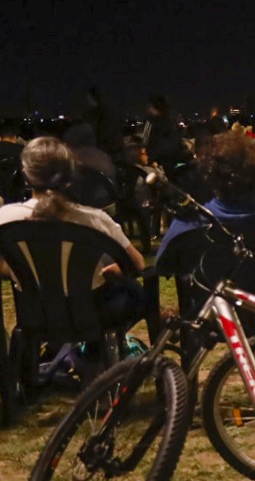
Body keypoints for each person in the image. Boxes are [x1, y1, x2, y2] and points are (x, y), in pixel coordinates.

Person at [0, 137, 148, 340]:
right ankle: (96, 352)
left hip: (35, 314)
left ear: (26, 176)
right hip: (93, 314)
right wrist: (116, 269)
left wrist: (23, 269)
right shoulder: (94, 219)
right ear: (70, 177)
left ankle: (58, 352)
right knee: (135, 291)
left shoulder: (5, 218)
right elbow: (137, 263)